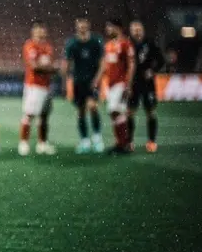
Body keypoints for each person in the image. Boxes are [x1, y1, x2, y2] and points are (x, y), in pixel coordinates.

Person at [62, 17, 105, 154]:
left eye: (84, 25)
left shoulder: (96, 41)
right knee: (80, 111)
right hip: (78, 82)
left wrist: (97, 79)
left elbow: (102, 63)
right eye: (79, 25)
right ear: (76, 26)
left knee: (93, 107)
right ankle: (85, 140)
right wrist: (65, 80)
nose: (82, 27)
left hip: (92, 81)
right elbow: (67, 63)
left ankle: (97, 138)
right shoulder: (71, 43)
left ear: (88, 25)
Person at [18, 21, 57, 156]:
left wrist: (49, 69)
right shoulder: (30, 45)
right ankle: (23, 143)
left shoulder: (48, 47)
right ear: (33, 32)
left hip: (46, 86)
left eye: (42, 29)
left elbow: (46, 66)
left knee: (44, 116)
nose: (40, 32)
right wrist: (53, 69)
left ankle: (42, 144)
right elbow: (34, 67)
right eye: (38, 29)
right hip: (33, 85)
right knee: (29, 114)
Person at [127, 20, 165, 152]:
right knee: (129, 112)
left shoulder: (150, 43)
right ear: (131, 31)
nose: (137, 32)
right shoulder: (128, 44)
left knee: (150, 112)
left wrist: (152, 71)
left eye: (139, 29)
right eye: (134, 29)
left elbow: (161, 60)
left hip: (147, 84)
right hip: (133, 83)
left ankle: (152, 142)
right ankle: (129, 142)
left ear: (143, 30)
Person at [102, 18, 136, 154]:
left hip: (121, 84)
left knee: (116, 111)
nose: (107, 30)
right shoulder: (109, 45)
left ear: (118, 28)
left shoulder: (125, 43)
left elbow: (131, 65)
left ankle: (123, 144)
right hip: (111, 85)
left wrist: (128, 84)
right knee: (114, 113)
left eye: (110, 27)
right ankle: (121, 143)